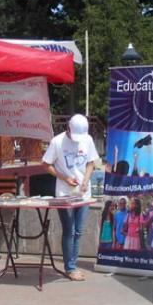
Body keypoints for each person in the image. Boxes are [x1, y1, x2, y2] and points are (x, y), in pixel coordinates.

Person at [42, 114, 100, 281]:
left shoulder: (87, 139)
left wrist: (86, 181)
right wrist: (64, 178)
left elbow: (91, 162)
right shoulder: (57, 142)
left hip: (83, 194)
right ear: (68, 128)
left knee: (79, 231)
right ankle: (70, 267)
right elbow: (45, 164)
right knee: (70, 230)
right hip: (65, 193)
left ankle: (72, 264)